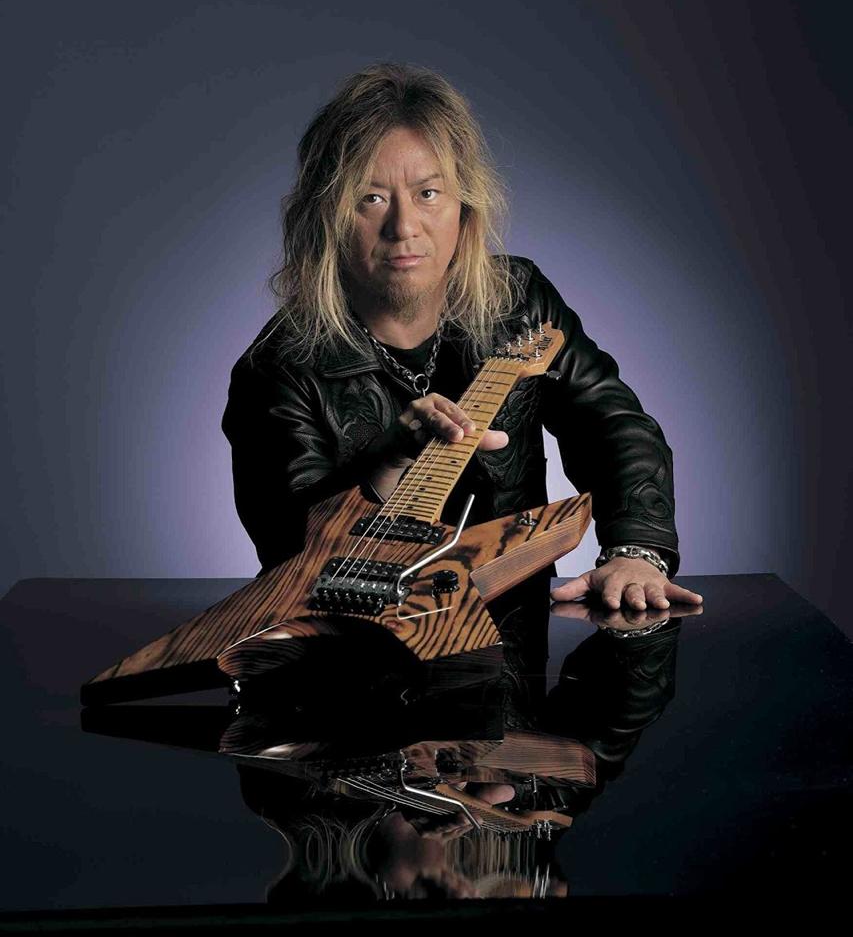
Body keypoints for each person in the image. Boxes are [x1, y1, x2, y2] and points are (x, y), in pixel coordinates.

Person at [221, 62, 702, 656]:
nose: (404, 227)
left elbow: (612, 425)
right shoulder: (278, 366)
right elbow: (286, 545)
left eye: (428, 193)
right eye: (371, 198)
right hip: (352, 661)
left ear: (464, 206)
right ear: (326, 216)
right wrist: (385, 461)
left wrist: (635, 552)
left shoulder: (518, 302)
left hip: (515, 647)